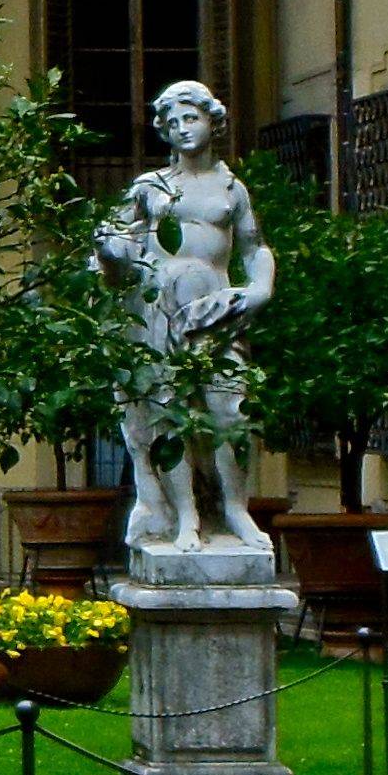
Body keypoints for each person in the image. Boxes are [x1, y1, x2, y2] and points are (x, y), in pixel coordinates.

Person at [92, 79, 279, 555]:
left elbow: (255, 248)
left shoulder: (232, 188)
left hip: (216, 310)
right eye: (171, 122)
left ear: (212, 121)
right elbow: (111, 251)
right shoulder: (151, 187)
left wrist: (260, 288)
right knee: (167, 414)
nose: (181, 129)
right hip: (160, 310)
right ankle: (186, 516)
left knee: (228, 413)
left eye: (190, 118)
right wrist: (109, 253)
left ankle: (235, 509)